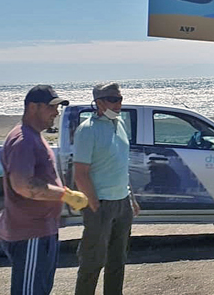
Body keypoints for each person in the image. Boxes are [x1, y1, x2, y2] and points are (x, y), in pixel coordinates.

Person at [0, 85, 89, 295]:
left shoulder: (33, 136)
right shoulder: (23, 140)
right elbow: (23, 185)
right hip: (30, 233)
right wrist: (65, 195)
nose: (56, 113)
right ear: (33, 107)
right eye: (51, 108)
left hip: (41, 231)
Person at [73, 82, 140, 295]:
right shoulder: (87, 130)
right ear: (99, 102)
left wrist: (131, 198)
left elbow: (120, 164)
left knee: (117, 262)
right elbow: (80, 173)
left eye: (120, 98)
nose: (118, 103)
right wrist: (94, 205)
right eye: (113, 99)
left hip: (122, 203)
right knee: (92, 263)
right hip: (100, 204)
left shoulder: (119, 124)